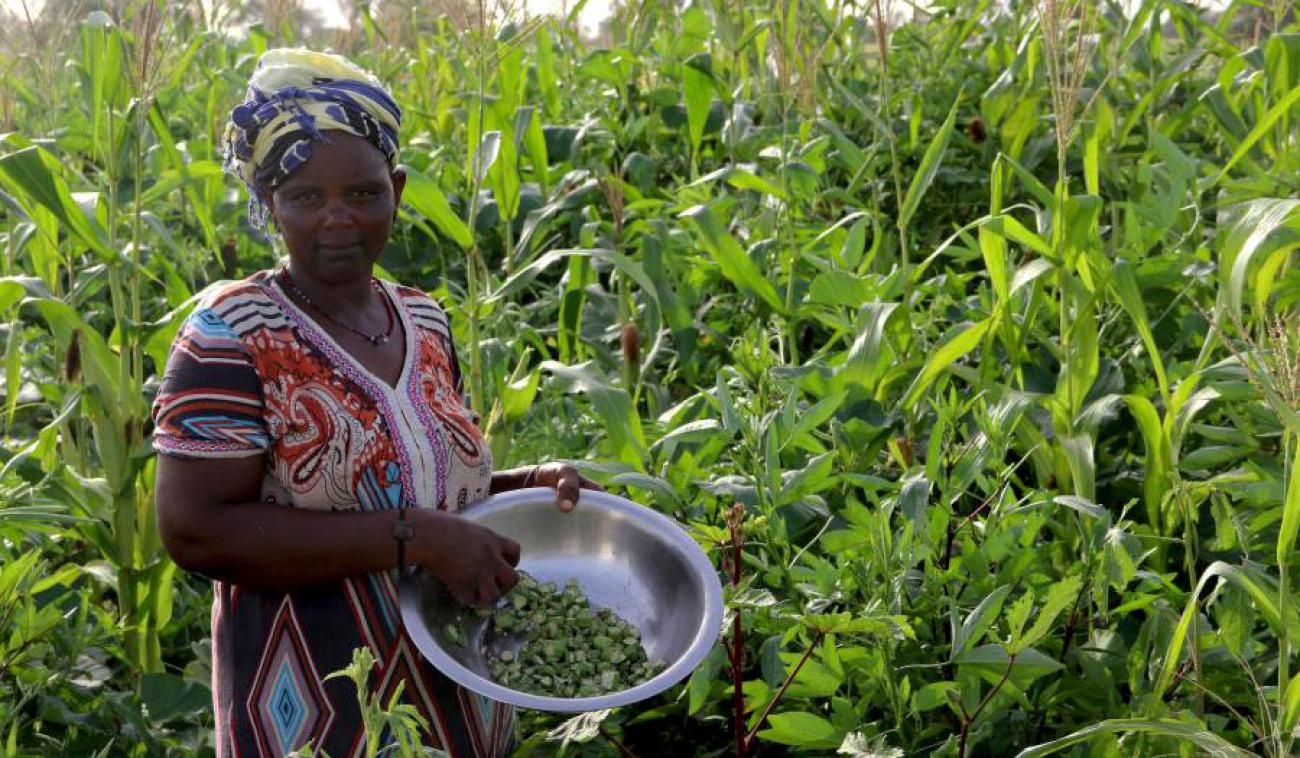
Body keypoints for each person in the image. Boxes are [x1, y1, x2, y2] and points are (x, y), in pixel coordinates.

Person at [151, 48, 597, 757]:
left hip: (460, 704)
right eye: (305, 197)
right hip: (319, 717)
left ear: (396, 187)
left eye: (362, 194)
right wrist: (413, 537)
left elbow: (414, 478)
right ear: (270, 203)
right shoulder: (232, 335)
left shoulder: (422, 321)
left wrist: (528, 485)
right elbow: (196, 531)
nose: (338, 220)